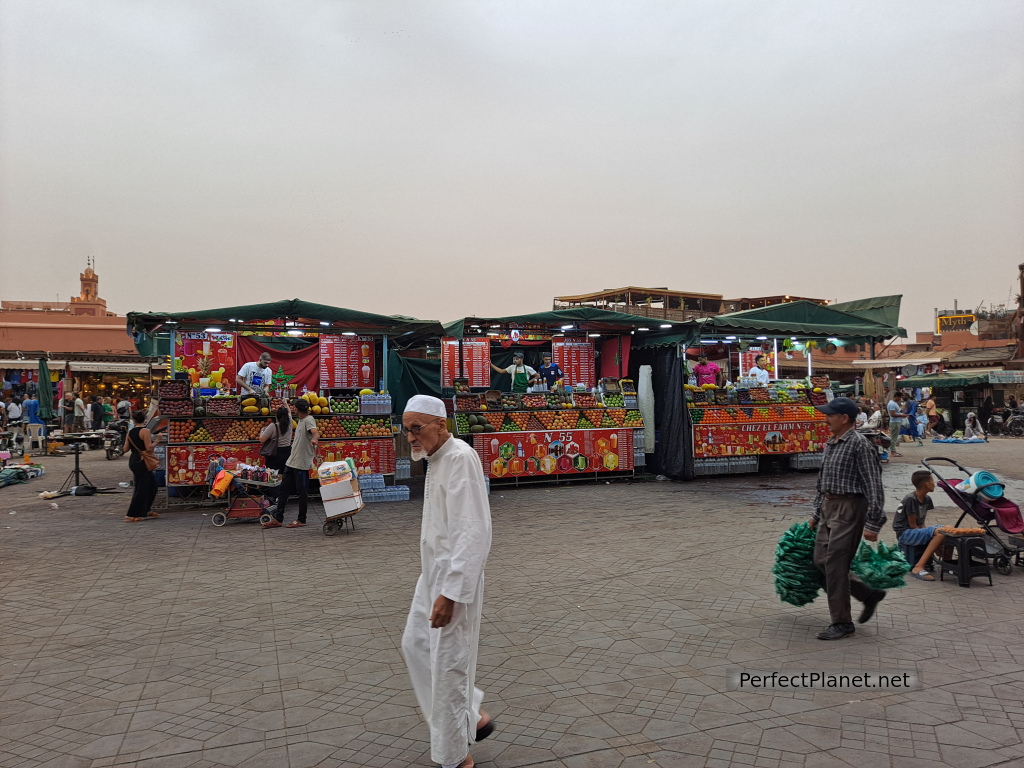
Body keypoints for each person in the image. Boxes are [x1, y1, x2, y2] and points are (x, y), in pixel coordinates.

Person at [400, 395, 494, 768]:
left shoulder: (459, 458)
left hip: (455, 580)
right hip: (433, 576)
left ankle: (456, 757)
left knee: (448, 665)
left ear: (441, 425)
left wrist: (452, 593)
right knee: (416, 645)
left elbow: (474, 532)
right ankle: (472, 714)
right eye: (406, 429)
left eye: (417, 428)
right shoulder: (437, 459)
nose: (411, 437)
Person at [808, 397, 887, 641]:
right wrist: (815, 513)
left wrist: (873, 523)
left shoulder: (860, 445)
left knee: (835, 565)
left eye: (830, 415)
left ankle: (842, 622)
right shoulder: (831, 443)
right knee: (820, 559)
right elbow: (822, 482)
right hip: (829, 507)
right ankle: (868, 593)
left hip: (850, 507)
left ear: (844, 418)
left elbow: (873, 484)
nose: (825, 418)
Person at [263, 399, 318, 528]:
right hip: (292, 461)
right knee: (283, 490)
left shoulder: (309, 420)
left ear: (296, 410)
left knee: (302, 491)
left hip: (301, 463)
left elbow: (315, 432)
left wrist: (315, 439)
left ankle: (301, 519)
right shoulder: (301, 420)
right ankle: (278, 518)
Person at [892, 470, 945, 581]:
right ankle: (918, 567)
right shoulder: (910, 499)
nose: (934, 483)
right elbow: (913, 525)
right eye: (932, 480)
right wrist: (931, 535)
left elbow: (922, 523)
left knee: (945, 529)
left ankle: (947, 562)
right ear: (927, 484)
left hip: (914, 530)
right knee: (939, 532)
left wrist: (930, 534)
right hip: (905, 533)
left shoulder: (927, 499)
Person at [124, 410, 159, 522]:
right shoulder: (145, 431)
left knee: (152, 486)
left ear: (133, 420)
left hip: (134, 460)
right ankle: (132, 514)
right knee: (141, 488)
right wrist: (157, 441)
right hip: (142, 461)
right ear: (145, 419)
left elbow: (125, 449)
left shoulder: (130, 432)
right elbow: (149, 448)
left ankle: (146, 509)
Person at [258, 405, 293, 481]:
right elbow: (290, 413)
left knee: (273, 475)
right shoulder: (290, 424)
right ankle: (284, 491)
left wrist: (262, 431)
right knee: (284, 474)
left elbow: (262, 439)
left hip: (275, 454)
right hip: (287, 452)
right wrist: (286, 403)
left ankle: (275, 491)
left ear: (277, 416)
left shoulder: (273, 426)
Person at [886, 392, 906, 457]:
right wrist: (901, 415)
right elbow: (892, 414)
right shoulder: (892, 404)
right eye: (900, 397)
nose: (900, 399)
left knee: (894, 437)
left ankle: (893, 450)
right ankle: (892, 452)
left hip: (896, 422)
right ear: (897, 396)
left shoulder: (894, 403)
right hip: (894, 422)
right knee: (894, 437)